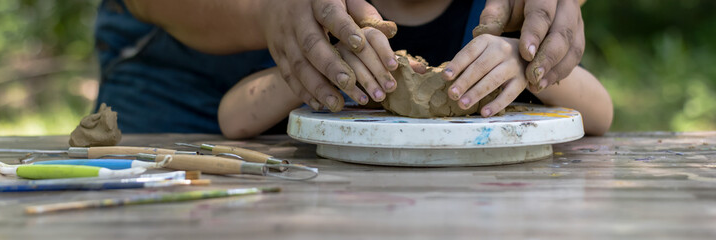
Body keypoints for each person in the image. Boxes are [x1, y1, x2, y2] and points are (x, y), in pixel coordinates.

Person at [96, 0, 595, 135]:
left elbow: (600, 110)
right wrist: (313, 67)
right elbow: (233, 116)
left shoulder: (491, 22)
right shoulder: (340, 31)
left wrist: (527, 59)